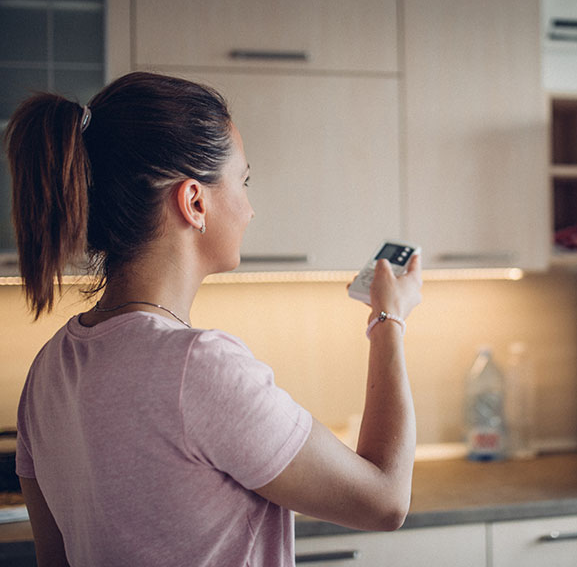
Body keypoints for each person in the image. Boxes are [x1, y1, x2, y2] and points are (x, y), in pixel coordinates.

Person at [5, 71, 422, 566]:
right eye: (243, 182)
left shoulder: (47, 371)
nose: (249, 209)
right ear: (195, 201)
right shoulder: (198, 367)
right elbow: (385, 499)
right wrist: (388, 319)